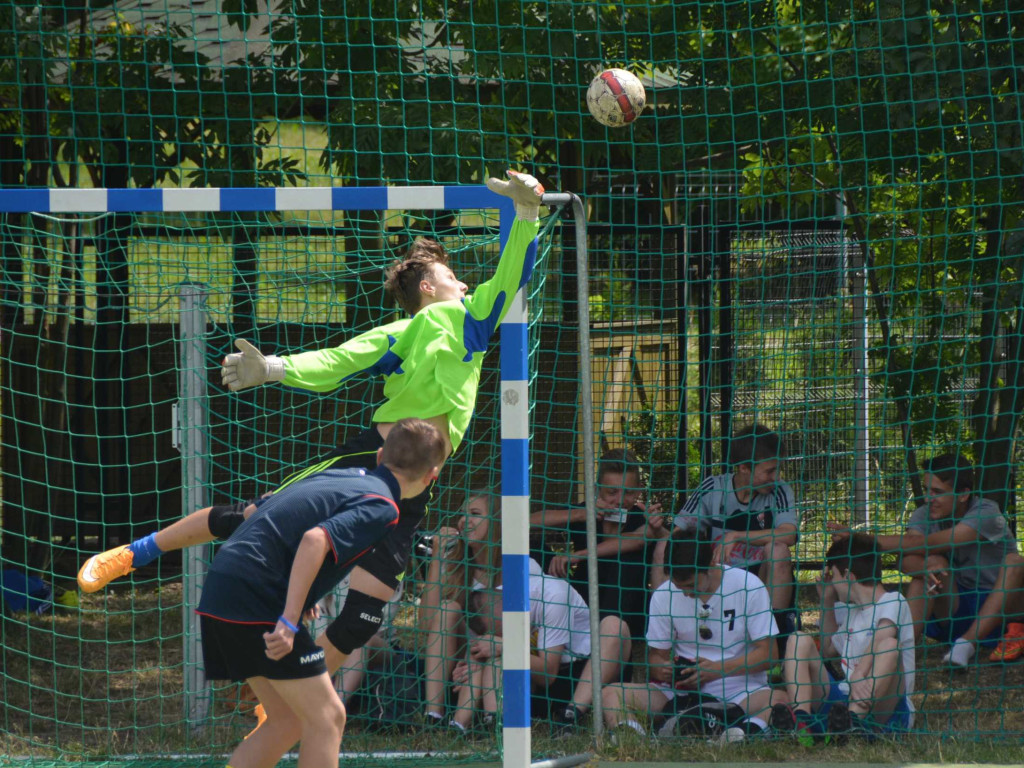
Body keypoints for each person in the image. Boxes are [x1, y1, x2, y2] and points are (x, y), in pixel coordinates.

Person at [76, 168, 543, 675]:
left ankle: (295, 684)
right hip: (370, 461)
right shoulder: (413, 329)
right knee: (255, 516)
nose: (467, 281)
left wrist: (527, 213)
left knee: (363, 617)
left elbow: (513, 269)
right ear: (429, 288)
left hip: (416, 483)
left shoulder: (473, 321)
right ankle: (132, 553)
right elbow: (339, 359)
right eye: (455, 277)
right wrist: (274, 368)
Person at [196, 418, 445, 768]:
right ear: (431, 475)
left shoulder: (343, 476)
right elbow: (315, 540)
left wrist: (304, 594)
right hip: (256, 592)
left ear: (377, 455)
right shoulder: (383, 505)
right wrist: (289, 616)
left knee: (288, 719)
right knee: (328, 717)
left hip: (224, 581)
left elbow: (289, 523)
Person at [829, 453, 1024, 667]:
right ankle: (901, 650)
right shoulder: (925, 514)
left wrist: (860, 540)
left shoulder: (987, 512)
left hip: (1003, 613)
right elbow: (904, 561)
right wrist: (929, 567)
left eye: (938, 492)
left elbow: (926, 543)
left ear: (963, 495)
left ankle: (966, 644)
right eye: (927, 490)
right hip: (956, 608)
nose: (929, 498)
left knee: (1014, 562)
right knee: (928, 570)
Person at [601, 526, 787, 742]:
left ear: (710, 565)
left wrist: (716, 670)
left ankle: (739, 735)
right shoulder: (664, 594)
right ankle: (632, 736)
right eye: (680, 587)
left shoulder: (748, 586)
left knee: (780, 699)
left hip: (739, 691)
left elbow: (770, 654)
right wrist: (665, 670)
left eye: (691, 585)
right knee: (611, 693)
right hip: (682, 694)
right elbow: (655, 656)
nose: (687, 594)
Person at [451, 560, 632, 738]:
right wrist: (471, 661)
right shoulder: (494, 608)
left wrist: (504, 645)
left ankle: (570, 715)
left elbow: (549, 673)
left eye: (505, 625)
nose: (508, 630)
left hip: (586, 670)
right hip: (539, 685)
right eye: (500, 631)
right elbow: (486, 646)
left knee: (614, 626)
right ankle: (493, 725)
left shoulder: (552, 593)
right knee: (497, 658)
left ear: (505, 600)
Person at [666, 424, 799, 651]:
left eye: (777, 469)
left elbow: (789, 533)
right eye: (769, 471)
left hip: (761, 574)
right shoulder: (713, 487)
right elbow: (678, 534)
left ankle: (772, 646)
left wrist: (737, 535)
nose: (775, 476)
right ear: (744, 468)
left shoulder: (779, 490)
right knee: (662, 547)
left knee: (778, 550)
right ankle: (669, 634)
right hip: (717, 575)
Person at [772, 534, 916, 740]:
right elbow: (827, 651)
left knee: (889, 646)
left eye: (834, 575)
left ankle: (852, 724)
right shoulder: (853, 612)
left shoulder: (894, 600)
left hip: (887, 707)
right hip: (846, 699)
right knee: (798, 639)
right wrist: (827, 600)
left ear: (848, 576)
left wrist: (859, 674)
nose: (832, 581)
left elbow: (882, 638)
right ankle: (803, 721)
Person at [531, 448, 663, 640]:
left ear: (638, 492)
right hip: (583, 602)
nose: (619, 500)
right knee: (533, 548)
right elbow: (528, 521)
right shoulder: (588, 511)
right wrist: (581, 513)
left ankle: (607, 637)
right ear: (597, 489)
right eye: (612, 492)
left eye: (628, 493)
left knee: (626, 558)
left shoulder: (643, 518)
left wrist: (577, 555)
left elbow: (636, 541)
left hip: (627, 613)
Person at [417, 489, 502, 728]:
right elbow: (427, 626)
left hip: (499, 657)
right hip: (458, 664)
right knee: (447, 609)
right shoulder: (456, 566)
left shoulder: (519, 566)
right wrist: (437, 557)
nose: (465, 520)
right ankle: (433, 715)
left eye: (475, 513)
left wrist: (478, 656)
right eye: (462, 514)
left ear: (497, 521)